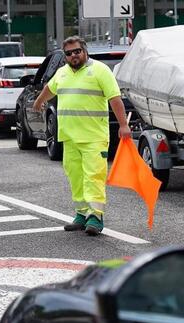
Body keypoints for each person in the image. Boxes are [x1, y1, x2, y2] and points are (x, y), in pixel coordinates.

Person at [32, 36, 131, 236]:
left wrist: (123, 125)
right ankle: (81, 214)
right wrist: (38, 102)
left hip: (94, 137)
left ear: (84, 51)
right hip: (69, 137)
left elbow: (115, 98)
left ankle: (95, 216)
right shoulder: (62, 72)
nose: (73, 55)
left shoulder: (100, 70)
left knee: (93, 176)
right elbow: (49, 89)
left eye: (77, 51)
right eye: (68, 53)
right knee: (75, 177)